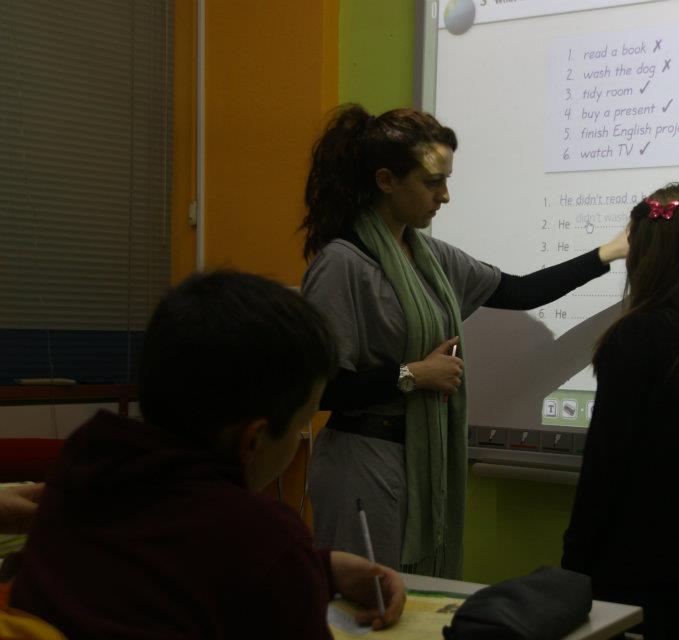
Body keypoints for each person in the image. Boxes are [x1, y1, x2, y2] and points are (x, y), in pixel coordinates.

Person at [300, 104, 628, 578]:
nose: (445, 196)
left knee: (417, 601)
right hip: (363, 463)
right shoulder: (342, 264)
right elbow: (321, 388)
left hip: (416, 459)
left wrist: (609, 252)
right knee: (369, 603)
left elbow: (519, 291)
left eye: (447, 181)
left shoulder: (429, 256)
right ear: (386, 180)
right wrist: (414, 375)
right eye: (432, 182)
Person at [9, 271, 406, 639]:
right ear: (254, 440)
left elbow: (165, 562)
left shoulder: (86, 463)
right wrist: (294, 563)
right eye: (304, 421)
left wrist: (321, 567)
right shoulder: (265, 538)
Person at [561, 184, 679, 640]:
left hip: (637, 564)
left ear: (645, 257)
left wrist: (575, 562)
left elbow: (606, 467)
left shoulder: (635, 337)